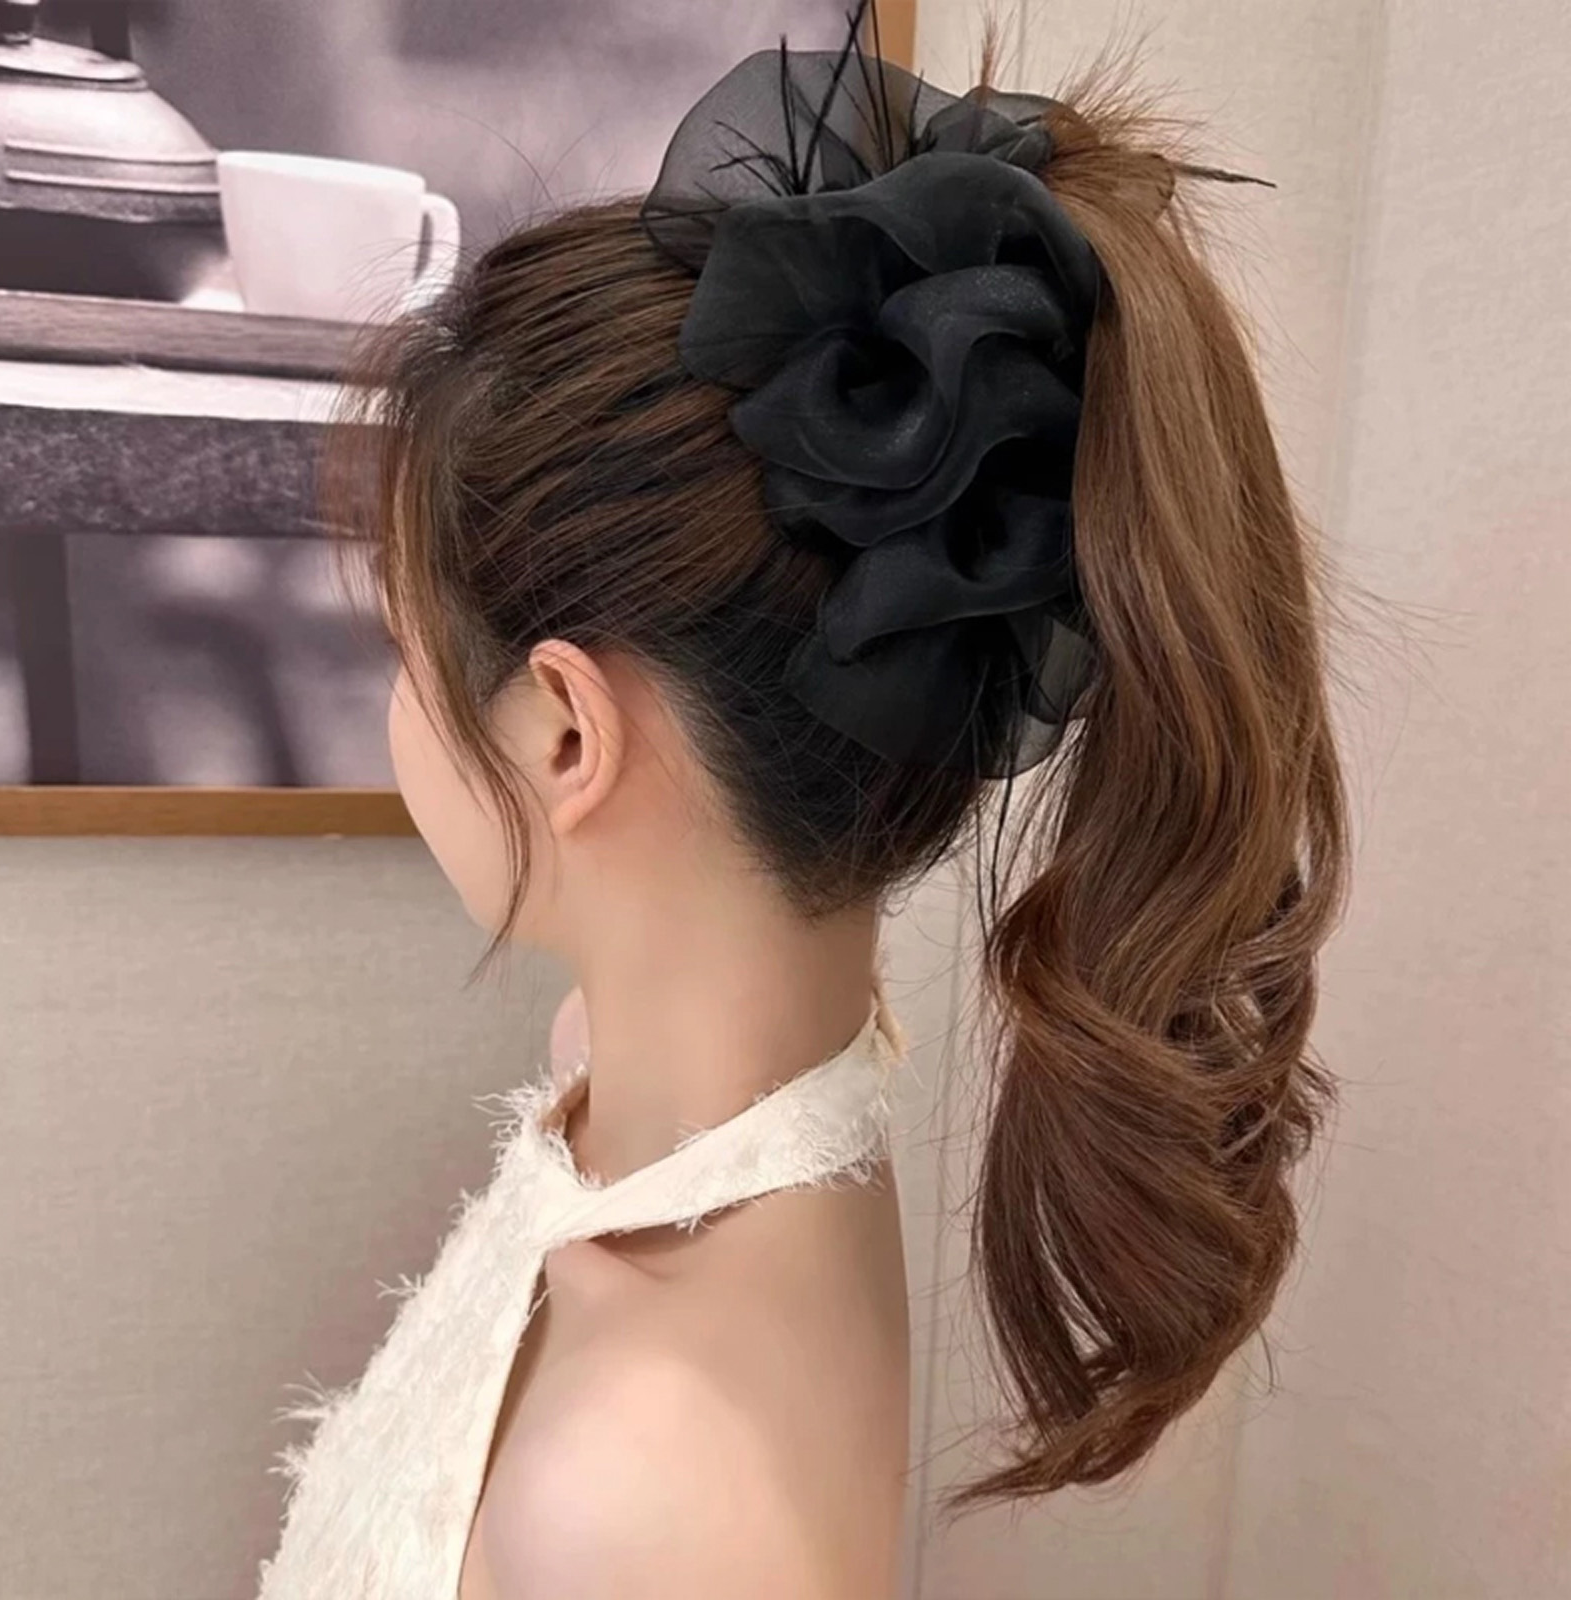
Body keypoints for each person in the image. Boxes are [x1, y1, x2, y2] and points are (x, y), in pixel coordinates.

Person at [253, 6, 1354, 1597]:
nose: (396, 712)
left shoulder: (638, 1498)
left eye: (408, 656)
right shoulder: (660, 1089)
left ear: (564, 732)